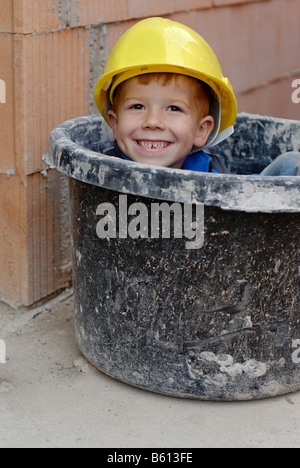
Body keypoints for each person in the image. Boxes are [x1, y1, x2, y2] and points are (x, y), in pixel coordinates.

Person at [94, 17, 300, 176]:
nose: (153, 122)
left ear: (201, 131)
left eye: (174, 108)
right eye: (137, 106)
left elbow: (244, 193)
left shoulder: (211, 177)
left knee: (290, 163)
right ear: (115, 123)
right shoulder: (102, 174)